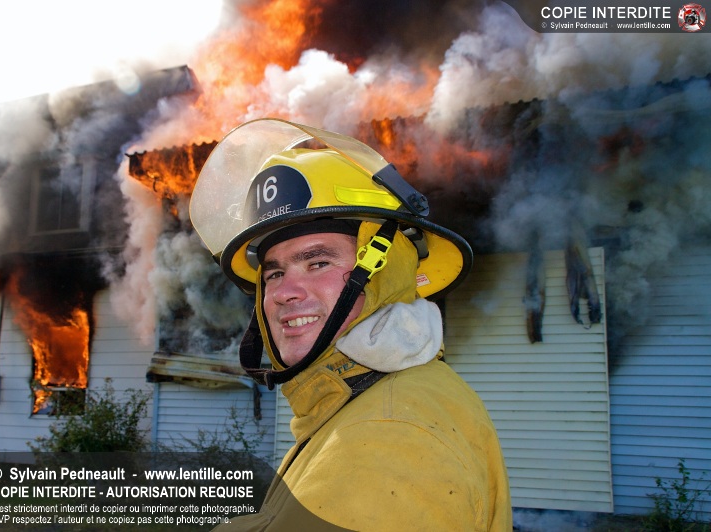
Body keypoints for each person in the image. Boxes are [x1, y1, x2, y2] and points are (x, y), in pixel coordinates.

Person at [190, 118, 512, 531]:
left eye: (318, 263)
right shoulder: (360, 399)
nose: (285, 292)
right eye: (274, 273)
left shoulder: (389, 433)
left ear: (382, 269)